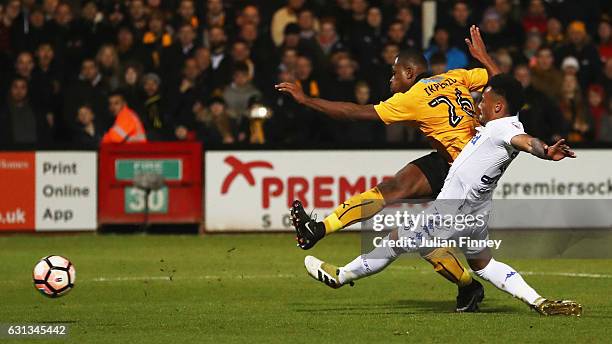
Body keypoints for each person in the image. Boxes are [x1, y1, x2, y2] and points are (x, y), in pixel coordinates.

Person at [304, 74, 582, 316]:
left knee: (397, 239)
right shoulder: (505, 124)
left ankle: (341, 276)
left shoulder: (502, 129)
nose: (478, 104)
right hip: (477, 212)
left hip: (454, 209)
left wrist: (545, 151)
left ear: (498, 106)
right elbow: (520, 135)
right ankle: (538, 300)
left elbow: (526, 142)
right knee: (483, 264)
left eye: (483, 100)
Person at [277, 26, 500, 312]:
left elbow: (353, 113)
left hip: (466, 178)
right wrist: (483, 57)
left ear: (409, 72)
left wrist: (307, 100)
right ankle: (318, 229)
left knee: (422, 242)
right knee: (392, 189)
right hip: (453, 162)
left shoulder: (412, 98)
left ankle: (470, 286)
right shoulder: (455, 76)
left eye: (394, 73)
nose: (390, 79)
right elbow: (501, 82)